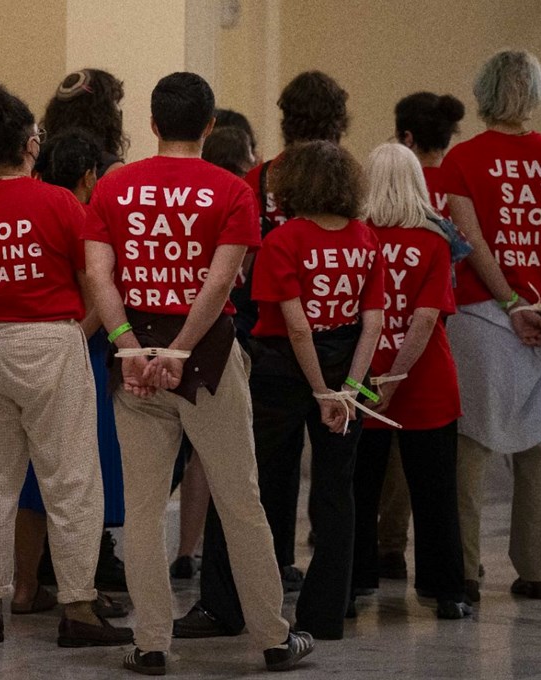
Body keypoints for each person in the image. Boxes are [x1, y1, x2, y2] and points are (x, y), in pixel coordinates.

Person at [86, 71, 312, 675]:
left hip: (135, 362)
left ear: (153, 124)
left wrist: (131, 348)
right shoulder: (231, 189)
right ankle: (272, 637)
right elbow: (218, 283)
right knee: (241, 501)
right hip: (206, 358)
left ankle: (151, 644)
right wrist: (180, 350)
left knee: (140, 509)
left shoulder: (113, 188)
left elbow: (100, 279)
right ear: (210, 127)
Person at [0, 82, 133, 648]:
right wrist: (81, 333)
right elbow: (93, 279)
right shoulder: (58, 202)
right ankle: (78, 606)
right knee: (70, 477)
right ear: (31, 143)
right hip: (48, 338)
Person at [442, 50, 541, 604]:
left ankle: (463, 571)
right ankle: (538, 572)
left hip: (485, 317)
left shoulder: (464, 159)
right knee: (539, 448)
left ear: (482, 94)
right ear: (536, 93)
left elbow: (470, 239)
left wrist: (511, 303)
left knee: (471, 447)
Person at [224, 140, 385, 641]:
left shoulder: (285, 239)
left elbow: (296, 328)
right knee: (337, 494)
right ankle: (326, 614)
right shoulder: (365, 238)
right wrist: (350, 390)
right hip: (344, 363)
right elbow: (373, 322)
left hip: (283, 370)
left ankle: (261, 607)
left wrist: (321, 391)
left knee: (267, 485)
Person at [236, 72, 352, 592]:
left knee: (269, 468)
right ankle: (337, 590)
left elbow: (238, 255)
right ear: (338, 120)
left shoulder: (259, 178)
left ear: (285, 118)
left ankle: (272, 564)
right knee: (336, 477)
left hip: (271, 336)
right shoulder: (347, 180)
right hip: (341, 340)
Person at [20, 68, 131, 601]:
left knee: (30, 460)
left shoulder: (34, 173)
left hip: (31, 325)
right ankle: (84, 576)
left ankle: (28, 576)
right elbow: (105, 271)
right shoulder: (108, 177)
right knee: (83, 459)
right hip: (84, 328)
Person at [350, 142, 472, 620]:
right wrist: (399, 379)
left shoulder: (355, 238)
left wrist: (379, 379)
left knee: (358, 488)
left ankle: (352, 581)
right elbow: (424, 322)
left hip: (363, 375)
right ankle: (447, 591)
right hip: (426, 381)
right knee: (436, 491)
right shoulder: (436, 240)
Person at [374, 92, 468, 580]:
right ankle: (449, 581)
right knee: (435, 481)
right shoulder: (441, 219)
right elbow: (431, 311)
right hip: (429, 352)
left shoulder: (363, 228)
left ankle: (376, 556)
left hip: (373, 359)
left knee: (372, 474)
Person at [169, 122, 257, 581]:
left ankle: (185, 548)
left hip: (163, 324)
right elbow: (232, 273)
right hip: (221, 330)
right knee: (218, 454)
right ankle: (218, 558)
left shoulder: (178, 191)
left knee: (183, 453)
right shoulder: (235, 195)